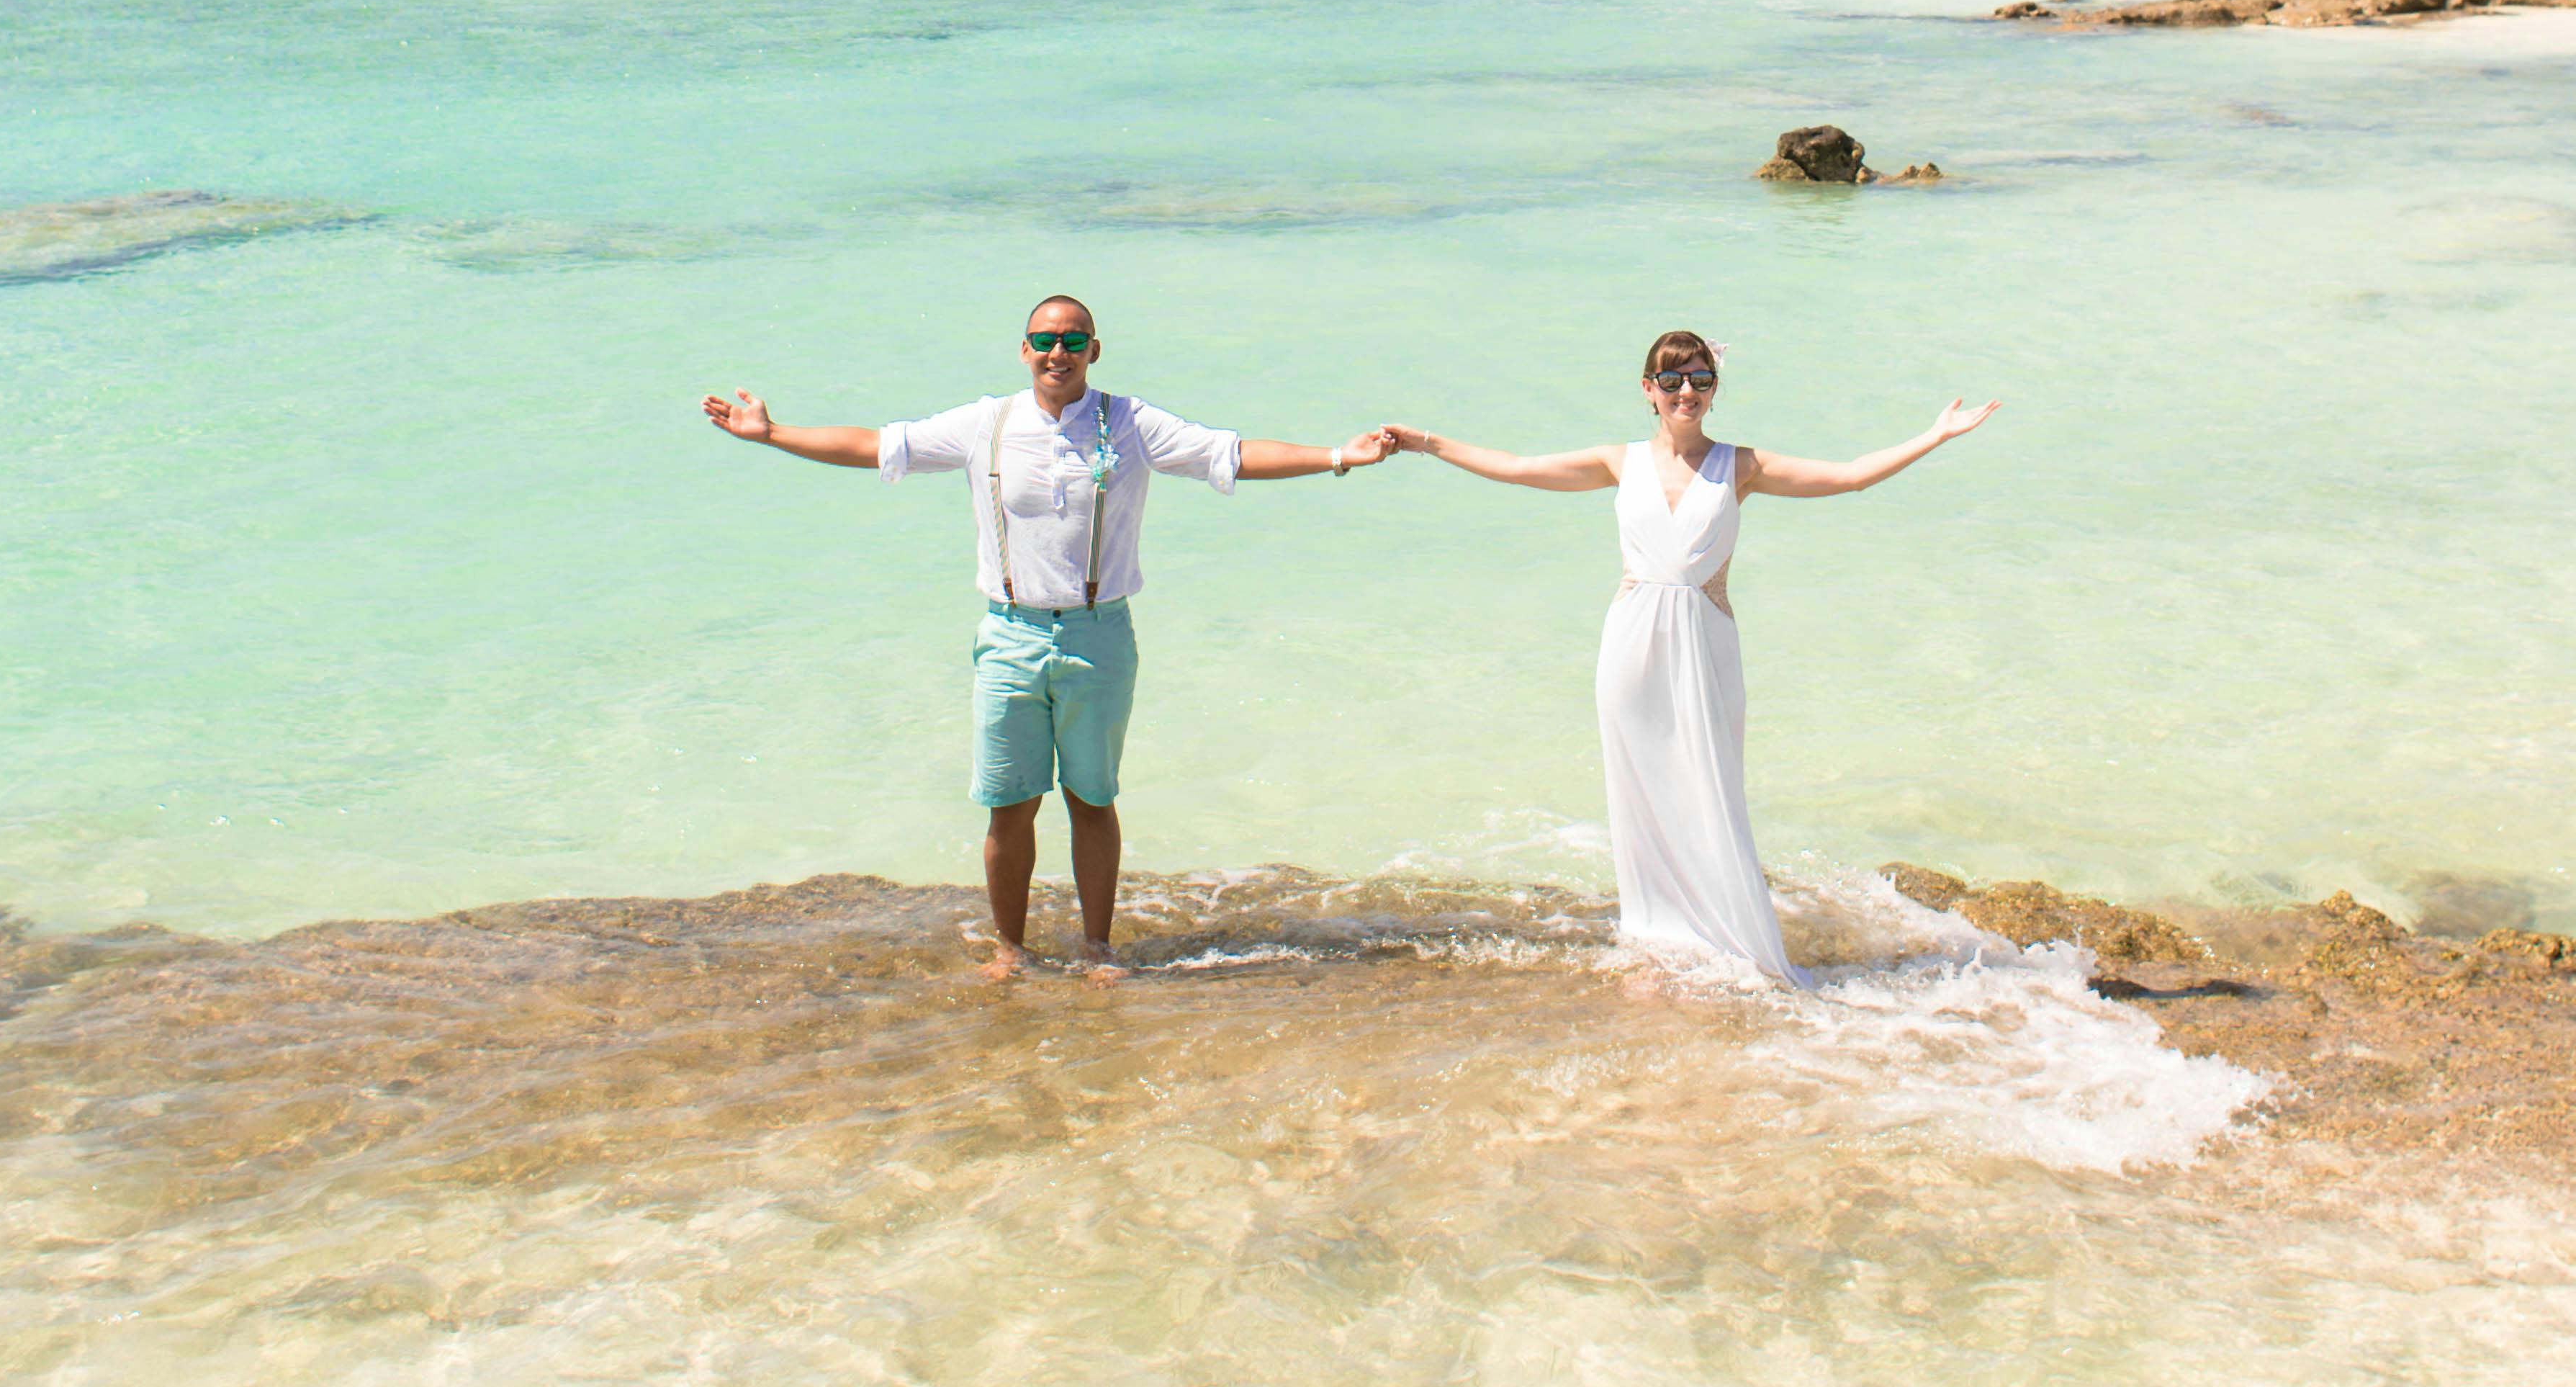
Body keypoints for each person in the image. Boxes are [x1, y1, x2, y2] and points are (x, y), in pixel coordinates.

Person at [703, 297, 1379, 982]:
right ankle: (1010, 950)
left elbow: (1230, 454)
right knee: (1010, 805)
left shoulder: (1133, 424)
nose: (1059, 352)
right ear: (1024, 349)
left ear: (1094, 349)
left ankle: (1097, 948)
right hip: (1009, 636)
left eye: (1073, 339)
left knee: (1092, 799)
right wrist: (771, 433)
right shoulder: (985, 424)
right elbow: (876, 445)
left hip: (1100, 636)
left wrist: (1337, 456)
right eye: (1045, 339)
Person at [1364, 337, 1996, 987]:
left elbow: (1852, 474)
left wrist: (1936, 435)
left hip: (1707, 643)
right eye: (1672, 381)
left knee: (1711, 789)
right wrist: (1427, 442)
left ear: (1715, 387)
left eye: (1700, 379)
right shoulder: (1620, 461)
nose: (1686, 392)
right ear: (1648, 390)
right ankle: (1659, 938)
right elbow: (1518, 466)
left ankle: (1730, 939)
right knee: (1641, 795)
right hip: (1631, 646)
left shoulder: (1740, 465)